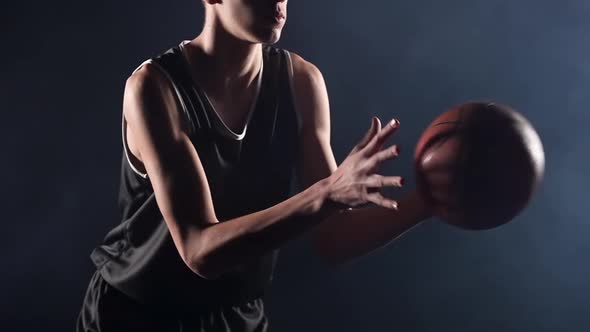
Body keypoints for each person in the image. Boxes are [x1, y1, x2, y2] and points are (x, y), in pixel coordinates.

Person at [77, 0, 432, 331]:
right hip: (137, 315)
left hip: (237, 316)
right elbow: (199, 250)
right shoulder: (154, 88)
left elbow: (332, 238)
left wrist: (427, 203)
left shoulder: (301, 82)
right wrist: (328, 192)